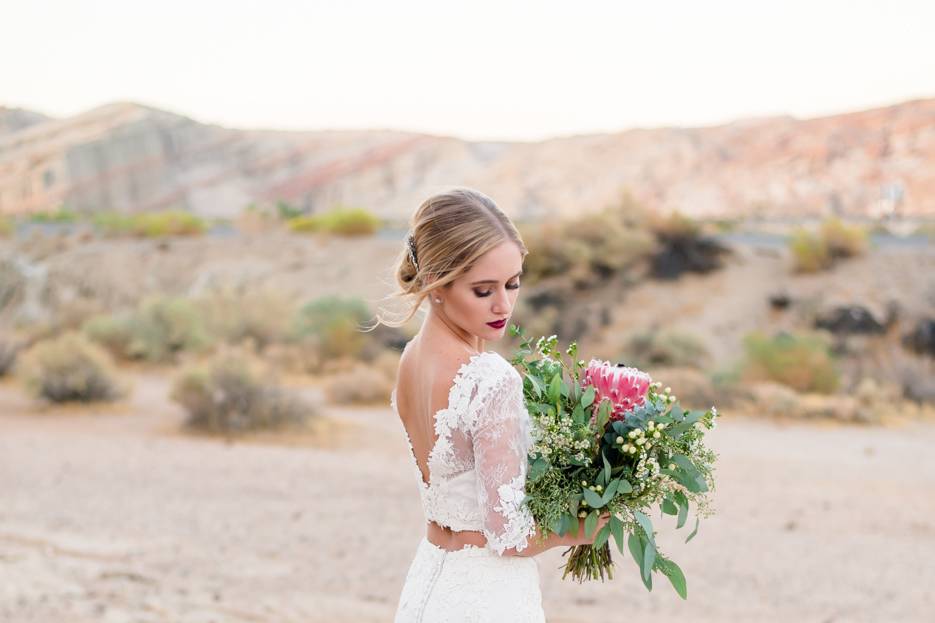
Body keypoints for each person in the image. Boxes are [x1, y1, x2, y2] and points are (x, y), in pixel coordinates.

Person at [372, 188, 610, 622]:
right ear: (436, 284)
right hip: (486, 598)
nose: (504, 304)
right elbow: (508, 534)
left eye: (513, 283)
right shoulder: (490, 377)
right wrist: (582, 529)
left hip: (428, 584)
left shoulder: (410, 359)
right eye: (483, 290)